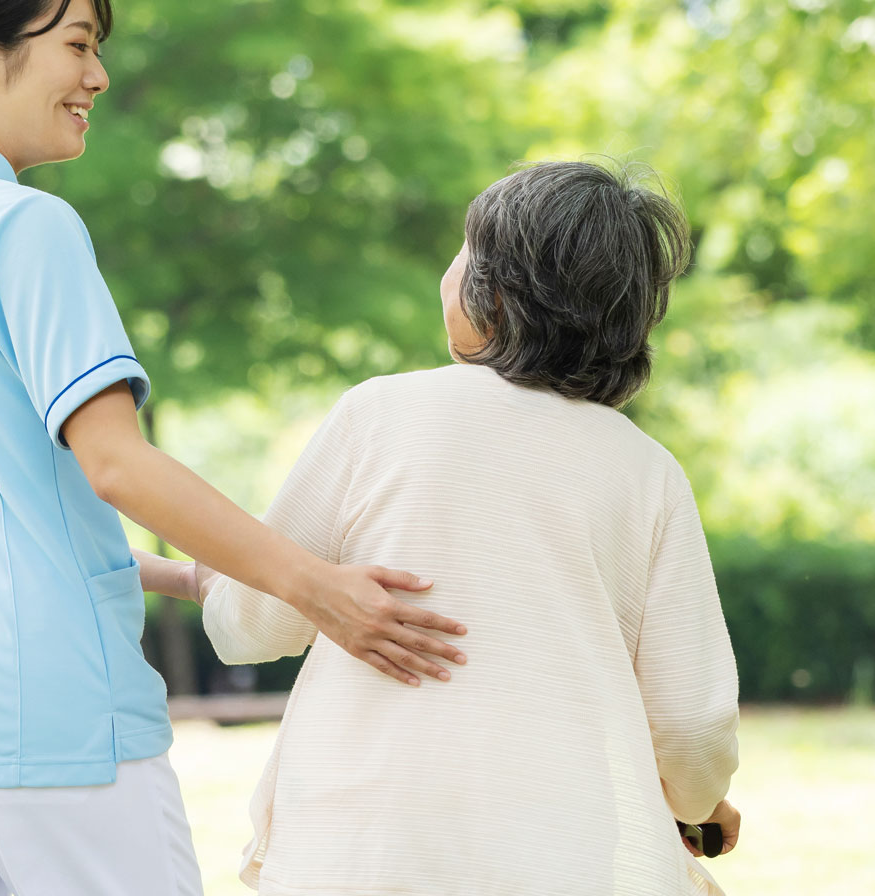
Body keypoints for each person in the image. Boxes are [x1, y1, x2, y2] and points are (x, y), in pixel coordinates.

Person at [0, 0, 467, 896]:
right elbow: (115, 464)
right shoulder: (25, 226)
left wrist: (183, 577)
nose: (97, 75)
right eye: (77, 43)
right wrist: (317, 587)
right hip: (41, 711)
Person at [151, 159, 743, 896]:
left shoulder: (379, 415)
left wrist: (209, 582)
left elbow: (251, 626)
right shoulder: (649, 473)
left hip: (360, 848)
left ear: (489, 293)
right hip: (558, 854)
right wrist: (697, 804)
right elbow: (689, 723)